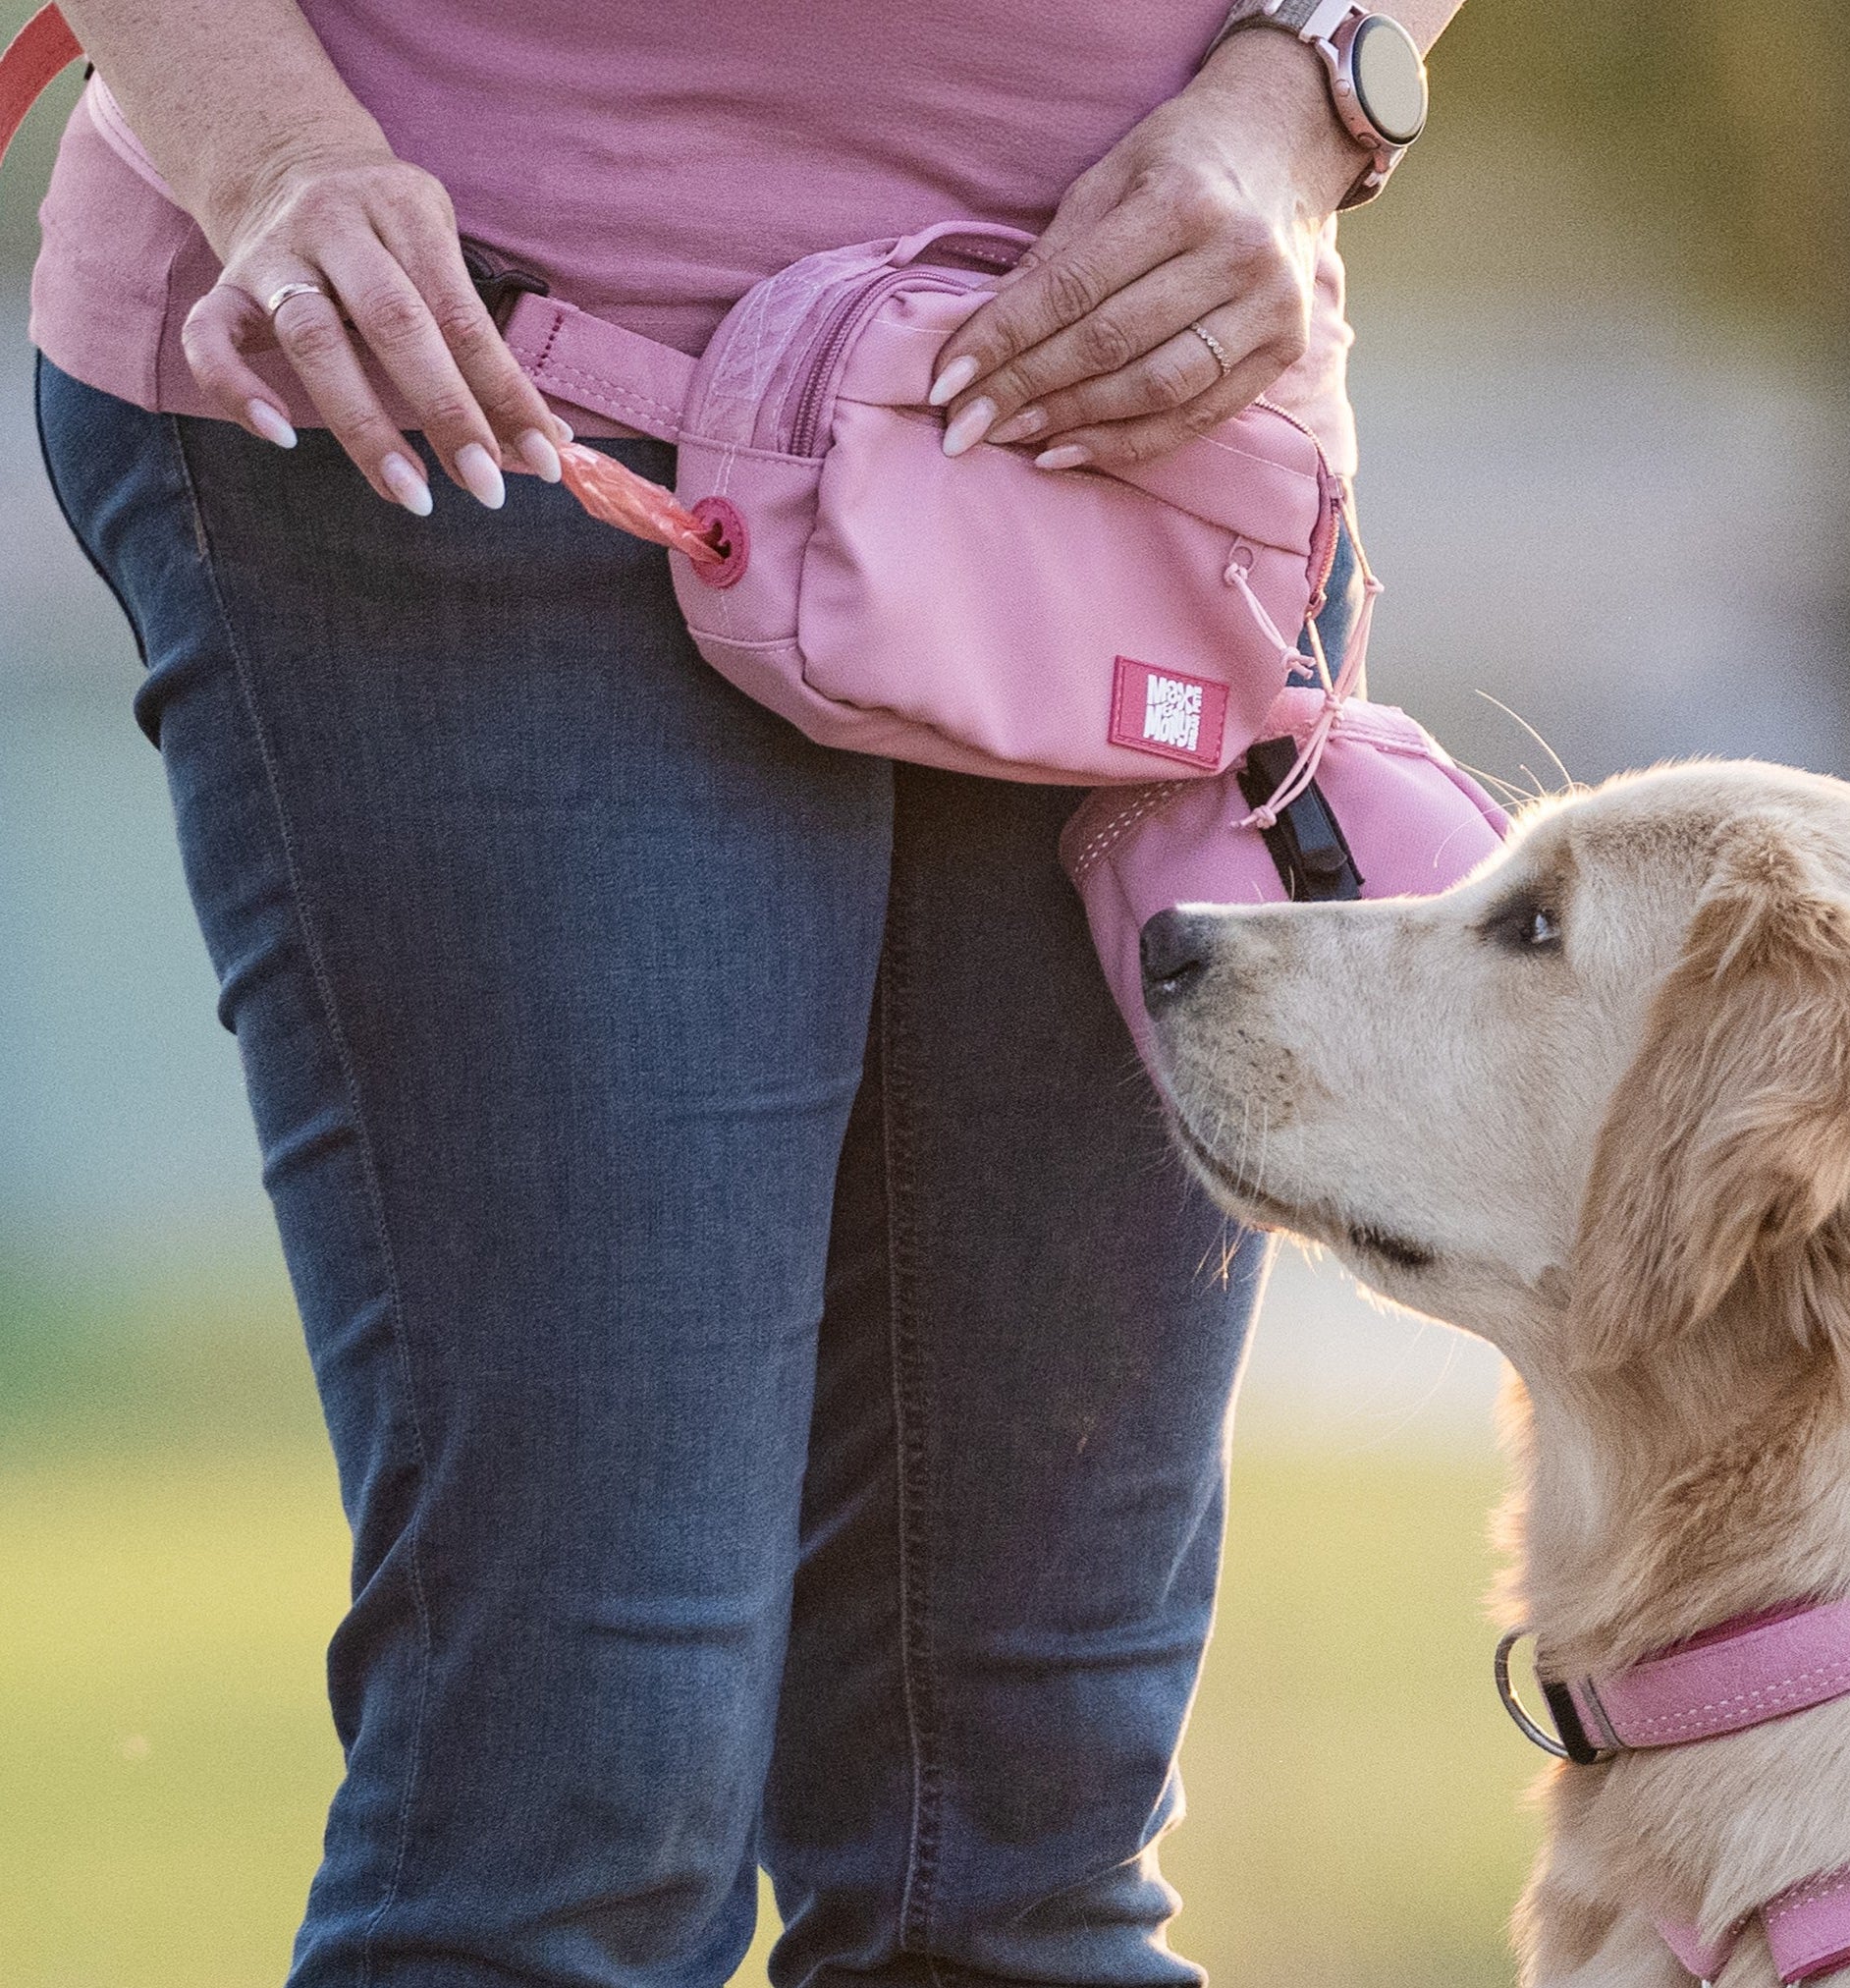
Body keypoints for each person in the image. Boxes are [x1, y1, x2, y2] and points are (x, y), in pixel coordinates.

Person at [30, 3, 1463, 1982]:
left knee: (1024, 1850)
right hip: (464, 381)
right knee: (572, 1829)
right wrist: (271, 149)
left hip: (1126, 420)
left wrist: (1306, 84)